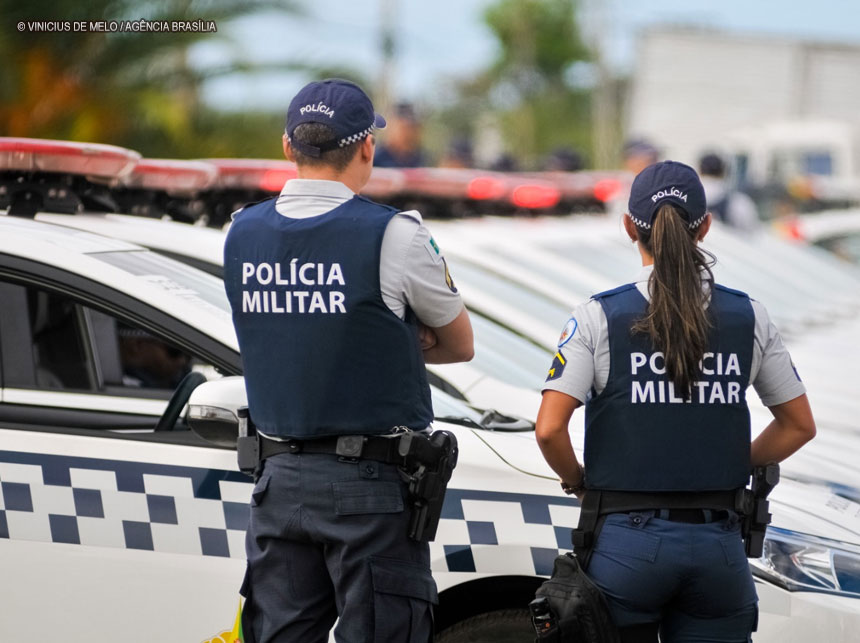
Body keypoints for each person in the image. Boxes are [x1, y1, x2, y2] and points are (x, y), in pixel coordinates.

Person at [223, 78, 474, 643]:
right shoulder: (395, 235)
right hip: (369, 488)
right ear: (367, 149)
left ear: (288, 147)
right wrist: (375, 336)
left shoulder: (240, 231)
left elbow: (274, 331)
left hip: (277, 481)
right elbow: (460, 344)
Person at [535, 161, 815, 643]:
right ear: (705, 227)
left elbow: (548, 428)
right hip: (719, 547)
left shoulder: (598, 316)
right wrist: (729, 461)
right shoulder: (748, 316)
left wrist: (577, 482)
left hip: (625, 543)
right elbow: (798, 425)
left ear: (629, 227)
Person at [699, 152, 760, 232]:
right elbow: (752, 233)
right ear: (723, 172)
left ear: (700, 170)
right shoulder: (738, 202)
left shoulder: (686, 197)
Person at [373, 101, 429, 167]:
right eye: (404, 128)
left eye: (412, 127)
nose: (409, 133)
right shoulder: (374, 158)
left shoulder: (422, 160)